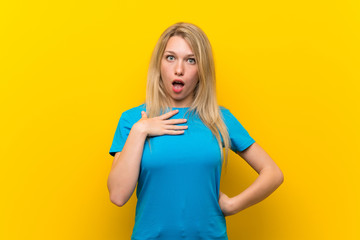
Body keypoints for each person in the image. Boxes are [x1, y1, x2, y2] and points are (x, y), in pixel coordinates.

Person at [107, 22, 284, 240]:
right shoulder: (133, 120)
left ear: (202, 70)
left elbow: (273, 173)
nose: (179, 69)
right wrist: (141, 130)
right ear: (159, 64)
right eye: (170, 57)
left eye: (191, 60)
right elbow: (117, 195)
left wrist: (232, 205)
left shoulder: (218, 119)